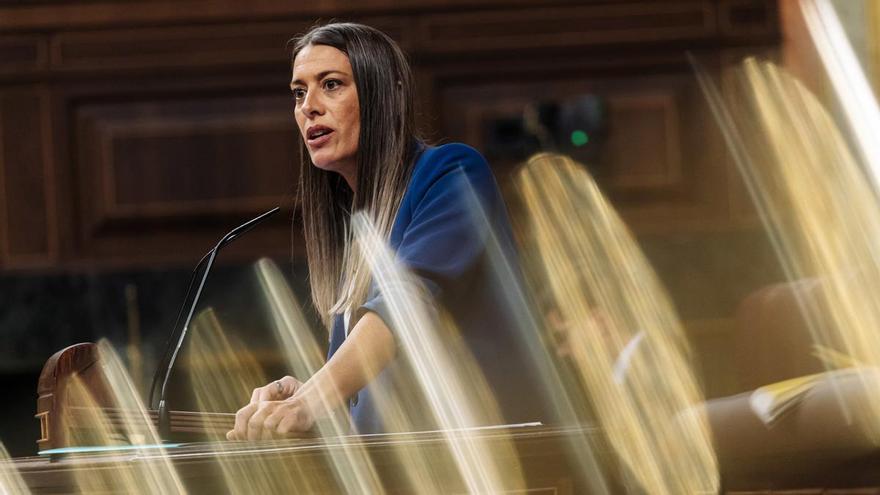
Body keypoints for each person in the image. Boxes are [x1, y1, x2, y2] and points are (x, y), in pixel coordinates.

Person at [227, 22, 544, 440]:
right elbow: (378, 408)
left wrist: (310, 402)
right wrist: (302, 397)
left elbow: (404, 306)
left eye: (332, 84)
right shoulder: (359, 235)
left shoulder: (453, 173)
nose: (309, 107)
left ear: (386, 95)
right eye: (299, 92)